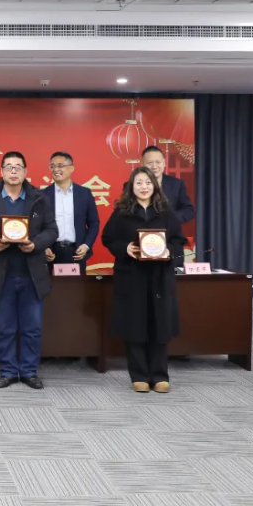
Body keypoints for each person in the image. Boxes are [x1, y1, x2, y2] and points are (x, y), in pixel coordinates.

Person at [0, 152, 58, 390]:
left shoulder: (39, 198)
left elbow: (52, 230)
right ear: (1, 172)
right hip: (1, 274)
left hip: (32, 275)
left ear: (26, 172)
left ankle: (29, 371)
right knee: (4, 327)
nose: (13, 171)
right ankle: (8, 371)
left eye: (18, 166)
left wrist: (35, 244)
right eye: (8, 167)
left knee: (32, 328)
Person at [101, 167, 187, 394]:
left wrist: (169, 251)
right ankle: (138, 375)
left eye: (147, 183)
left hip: (160, 277)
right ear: (132, 186)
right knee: (134, 325)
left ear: (154, 185)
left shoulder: (166, 211)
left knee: (160, 325)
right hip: (132, 276)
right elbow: (107, 238)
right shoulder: (122, 212)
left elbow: (178, 241)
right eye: (139, 183)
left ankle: (160, 375)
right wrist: (124, 248)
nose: (143, 187)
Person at [40, 151, 100, 275]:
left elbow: (94, 223)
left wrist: (86, 245)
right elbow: (37, 226)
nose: (55, 169)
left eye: (60, 166)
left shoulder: (84, 194)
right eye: (52, 166)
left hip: (77, 252)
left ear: (71, 168)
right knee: (52, 287)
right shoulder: (42, 195)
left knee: (77, 287)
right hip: (52, 252)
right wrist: (44, 247)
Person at [140, 146, 195, 224]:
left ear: (164, 163)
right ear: (142, 164)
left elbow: (188, 210)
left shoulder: (177, 184)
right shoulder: (132, 185)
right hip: (142, 229)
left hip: (170, 229)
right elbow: (125, 212)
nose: (154, 166)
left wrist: (171, 218)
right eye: (150, 163)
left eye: (158, 162)